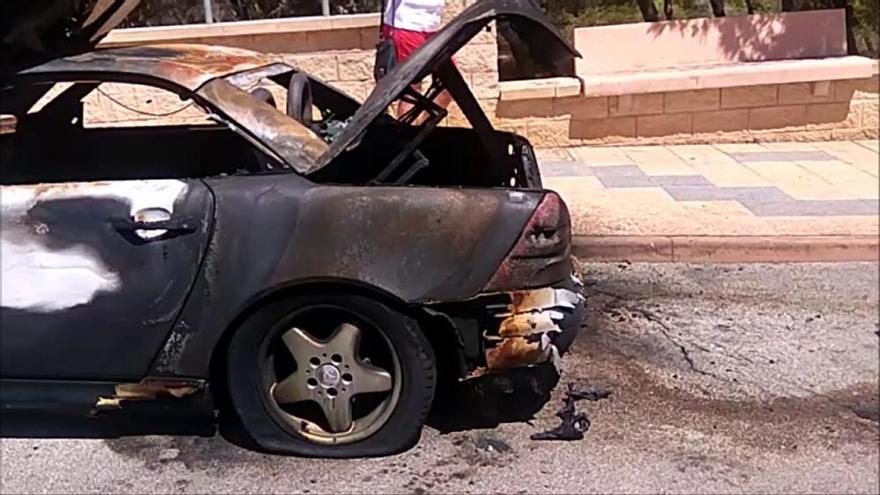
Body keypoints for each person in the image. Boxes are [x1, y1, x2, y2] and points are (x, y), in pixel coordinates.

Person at [377, 0, 453, 119]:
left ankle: (421, 129)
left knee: (450, 82)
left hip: (431, 26)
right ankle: (408, 133)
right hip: (406, 25)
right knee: (413, 88)